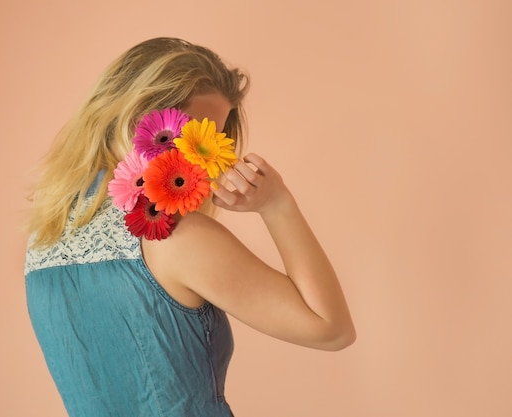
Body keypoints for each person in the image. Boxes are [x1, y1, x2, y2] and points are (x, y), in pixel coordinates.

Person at [24, 37, 355, 417]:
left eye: (213, 144)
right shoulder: (173, 237)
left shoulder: (44, 237)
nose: (205, 161)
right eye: (195, 139)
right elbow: (332, 329)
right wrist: (277, 205)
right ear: (141, 122)